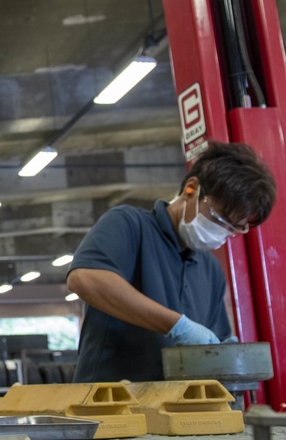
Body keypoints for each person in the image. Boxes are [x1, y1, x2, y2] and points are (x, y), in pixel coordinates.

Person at [67, 140, 276, 383]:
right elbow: (85, 279)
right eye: (219, 220)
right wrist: (177, 325)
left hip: (177, 410)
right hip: (110, 408)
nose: (222, 234)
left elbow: (212, 343)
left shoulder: (210, 270)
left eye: (233, 230)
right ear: (191, 189)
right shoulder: (129, 225)